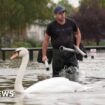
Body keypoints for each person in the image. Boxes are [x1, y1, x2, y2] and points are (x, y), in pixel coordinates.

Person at [42, 6, 81, 81]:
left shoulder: (71, 22)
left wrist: (78, 46)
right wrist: (44, 55)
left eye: (63, 12)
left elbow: (78, 34)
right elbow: (46, 41)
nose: (62, 14)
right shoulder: (51, 26)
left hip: (70, 52)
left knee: (74, 73)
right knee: (56, 77)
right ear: (55, 15)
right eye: (60, 13)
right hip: (58, 54)